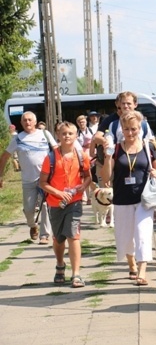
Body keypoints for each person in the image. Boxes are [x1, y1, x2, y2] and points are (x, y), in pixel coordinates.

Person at [100, 110, 156, 286]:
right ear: (122, 129)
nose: (130, 133)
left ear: (140, 128)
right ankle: (132, 263)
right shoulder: (117, 148)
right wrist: (107, 156)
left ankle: (142, 271)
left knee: (143, 234)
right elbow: (106, 177)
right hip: (122, 198)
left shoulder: (148, 148)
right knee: (126, 237)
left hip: (144, 199)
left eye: (133, 129)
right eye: (126, 129)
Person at [38, 121, 91, 288]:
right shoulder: (51, 157)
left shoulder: (82, 155)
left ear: (76, 136)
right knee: (59, 239)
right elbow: (42, 182)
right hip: (56, 203)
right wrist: (58, 193)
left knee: (73, 236)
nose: (67, 136)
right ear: (58, 136)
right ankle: (60, 265)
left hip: (74, 202)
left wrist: (83, 186)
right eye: (64, 133)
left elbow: (88, 176)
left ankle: (76, 274)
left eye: (70, 133)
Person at [0, 111, 57, 243]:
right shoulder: (18, 139)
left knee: (45, 205)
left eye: (30, 120)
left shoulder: (44, 134)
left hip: (45, 178)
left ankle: (44, 235)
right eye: (25, 120)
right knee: (28, 209)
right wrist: (0, 176)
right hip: (27, 179)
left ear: (35, 122)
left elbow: (56, 150)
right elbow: (4, 157)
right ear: (21, 123)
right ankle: (33, 225)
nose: (27, 122)